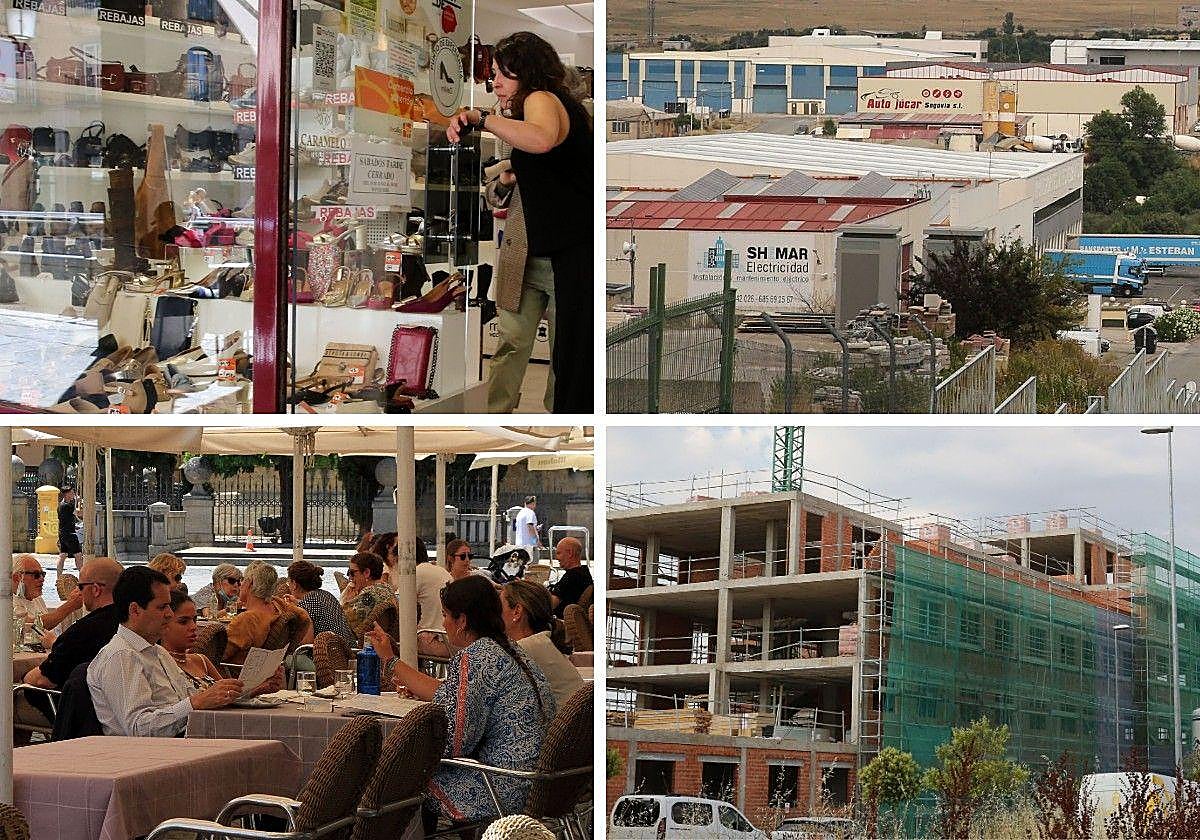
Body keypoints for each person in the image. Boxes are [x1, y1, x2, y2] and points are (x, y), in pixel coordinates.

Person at [447, 32, 592, 412]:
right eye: (493, 73)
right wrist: (508, 175)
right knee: (521, 343)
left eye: (502, 73)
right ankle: (510, 411)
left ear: (526, 73)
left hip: (565, 252)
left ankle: (554, 418)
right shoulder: (527, 113)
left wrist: (483, 118)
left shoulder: (542, 99)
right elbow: (512, 176)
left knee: (567, 355)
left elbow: (541, 140)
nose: (494, 82)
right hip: (529, 249)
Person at [364, 575, 554, 827]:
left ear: (462, 620)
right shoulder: (510, 650)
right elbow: (448, 693)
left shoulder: (475, 658)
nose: (443, 623)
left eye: (445, 615)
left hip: (503, 786)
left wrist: (406, 751)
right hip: (539, 784)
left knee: (399, 777)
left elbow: (455, 743)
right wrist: (389, 658)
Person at [87, 566, 246, 737]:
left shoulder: (158, 652)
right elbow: (138, 729)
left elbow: (188, 697)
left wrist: (229, 693)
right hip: (150, 756)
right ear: (135, 610)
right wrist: (196, 703)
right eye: (162, 607)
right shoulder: (121, 656)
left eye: (169, 606)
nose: (170, 614)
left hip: (184, 742)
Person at [25, 557, 123, 690]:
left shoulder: (84, 631)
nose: (78, 591)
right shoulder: (132, 621)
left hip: (77, 704)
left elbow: (42, 680)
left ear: (95, 590)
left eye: (81, 586)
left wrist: (24, 677)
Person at [501, 580, 583, 707]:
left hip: (552, 725)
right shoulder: (541, 642)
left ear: (517, 611)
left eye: (499, 606)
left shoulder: (523, 649)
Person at [223, 560, 313, 664]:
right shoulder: (279, 606)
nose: (240, 584)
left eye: (242, 580)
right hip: (269, 669)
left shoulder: (247, 620)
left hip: (235, 672)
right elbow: (305, 618)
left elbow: (220, 654)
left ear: (250, 583)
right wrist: (289, 649)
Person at [286, 560, 354, 646]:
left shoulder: (306, 604)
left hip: (330, 655)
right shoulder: (326, 595)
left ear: (295, 584)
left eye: (289, 582)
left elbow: (306, 642)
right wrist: (297, 603)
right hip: (349, 650)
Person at [12, 554, 82, 634]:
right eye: (36, 575)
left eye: (43, 574)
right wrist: (71, 604)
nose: (42, 579)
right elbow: (36, 626)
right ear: (17, 578)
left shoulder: (36, 598)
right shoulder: (6, 604)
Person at [341, 551, 395, 640]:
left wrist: (347, 600)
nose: (350, 578)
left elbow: (341, 622)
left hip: (366, 645)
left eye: (352, 572)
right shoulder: (386, 588)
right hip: (384, 641)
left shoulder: (369, 595)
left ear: (366, 572)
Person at [416, 536, 452, 657]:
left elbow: (399, 606)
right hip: (449, 639)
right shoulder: (441, 571)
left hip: (436, 638)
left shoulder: (416, 573)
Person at [549, 537, 591, 619]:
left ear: (570, 553)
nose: (557, 558)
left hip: (558, 623)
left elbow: (550, 604)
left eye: (558, 553)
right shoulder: (584, 573)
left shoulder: (572, 577)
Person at [57, 486, 82, 574]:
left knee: (62, 555)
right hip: (70, 534)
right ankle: (82, 575)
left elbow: (67, 519)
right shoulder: (67, 506)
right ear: (66, 494)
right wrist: (79, 502)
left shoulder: (60, 505)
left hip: (62, 533)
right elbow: (79, 513)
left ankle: (58, 577)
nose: (73, 494)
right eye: (71, 493)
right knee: (78, 555)